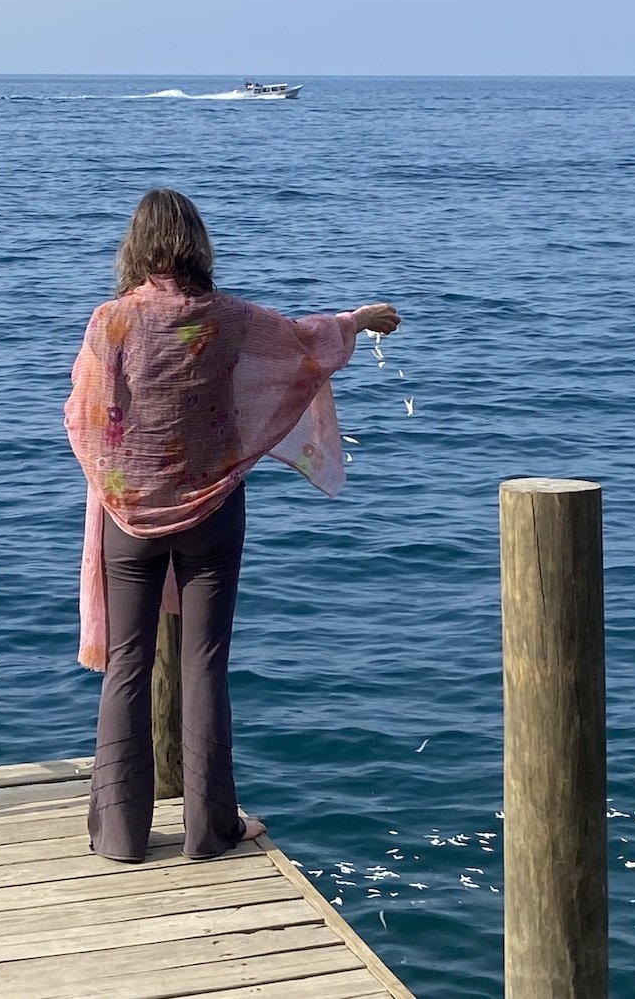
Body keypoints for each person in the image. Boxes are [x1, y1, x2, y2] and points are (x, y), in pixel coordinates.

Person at [65, 188, 399, 862]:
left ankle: (120, 834)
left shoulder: (111, 322)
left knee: (128, 662)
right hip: (212, 507)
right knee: (204, 662)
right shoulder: (228, 319)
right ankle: (207, 830)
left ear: (135, 246)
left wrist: (117, 480)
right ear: (196, 243)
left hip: (127, 511)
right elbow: (303, 345)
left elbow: (84, 414)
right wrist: (357, 320)